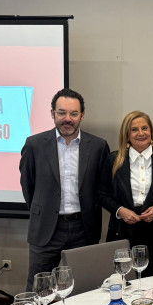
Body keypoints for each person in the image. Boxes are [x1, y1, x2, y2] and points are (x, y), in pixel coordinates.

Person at [20, 89, 110, 291]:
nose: (67, 119)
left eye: (73, 114)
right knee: (38, 289)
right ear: (52, 113)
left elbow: (102, 187)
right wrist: (43, 210)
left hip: (84, 229)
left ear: (82, 116)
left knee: (85, 288)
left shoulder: (98, 146)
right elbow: (28, 185)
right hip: (46, 229)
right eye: (61, 113)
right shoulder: (34, 145)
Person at [99, 111, 153, 275]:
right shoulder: (113, 160)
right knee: (123, 284)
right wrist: (120, 210)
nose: (141, 133)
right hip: (122, 231)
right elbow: (101, 194)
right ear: (126, 135)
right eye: (134, 129)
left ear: (151, 132)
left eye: (145, 128)